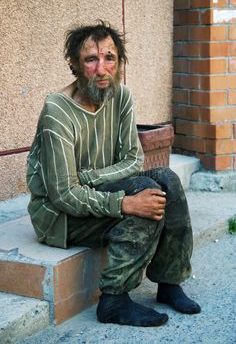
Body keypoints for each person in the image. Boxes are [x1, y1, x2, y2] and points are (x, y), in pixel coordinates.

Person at [27, 21, 201, 327]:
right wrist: (123, 203)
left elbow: (133, 160)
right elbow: (64, 195)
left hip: (92, 188)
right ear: (75, 65)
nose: (101, 68)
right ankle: (114, 301)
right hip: (58, 217)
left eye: (110, 58)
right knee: (143, 193)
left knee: (167, 181)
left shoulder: (120, 96)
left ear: (120, 62)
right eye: (91, 59)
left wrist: (89, 178)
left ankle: (169, 282)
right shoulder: (58, 112)